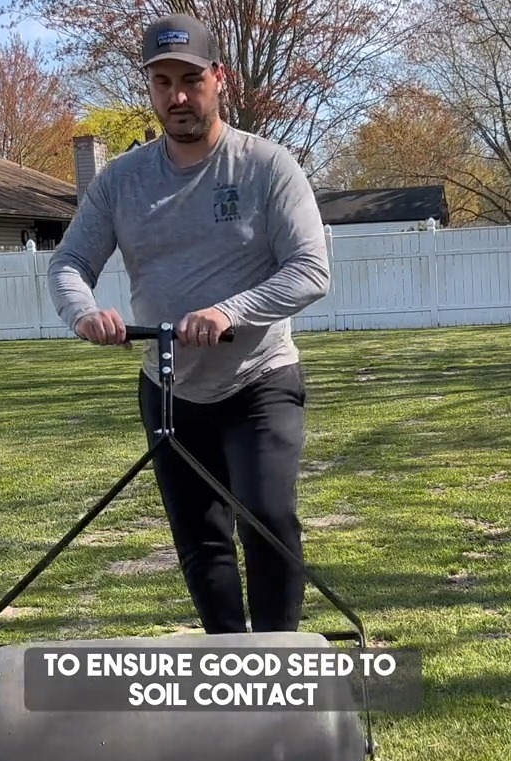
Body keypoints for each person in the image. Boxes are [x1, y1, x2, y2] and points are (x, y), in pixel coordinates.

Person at [47, 13, 330, 635]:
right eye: (162, 82)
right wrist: (85, 313)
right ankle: (228, 668)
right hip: (169, 386)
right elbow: (68, 263)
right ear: (149, 88)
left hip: (259, 380)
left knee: (268, 519)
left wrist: (231, 310)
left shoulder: (266, 166)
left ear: (217, 79)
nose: (177, 96)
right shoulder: (122, 181)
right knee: (199, 542)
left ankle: (278, 672)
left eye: (190, 79)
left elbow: (311, 269)